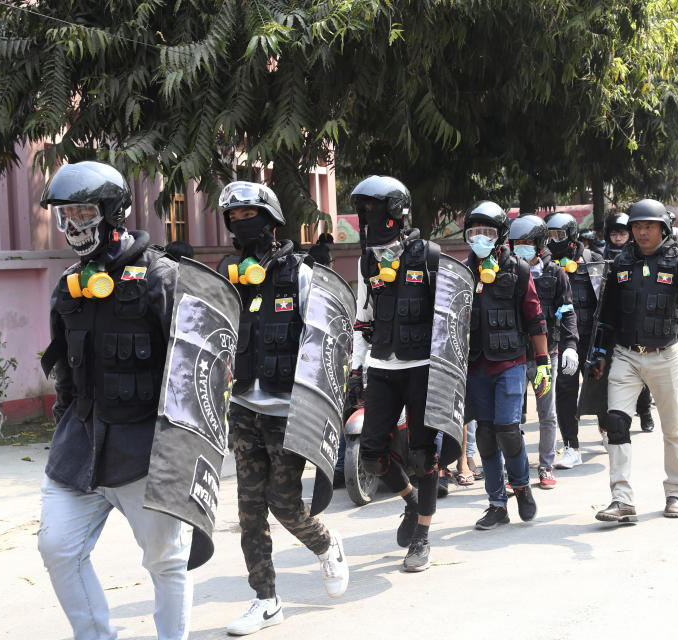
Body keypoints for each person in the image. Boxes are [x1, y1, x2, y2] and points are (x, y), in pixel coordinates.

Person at [37, 161, 191, 640]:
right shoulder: (69, 287)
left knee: (165, 562)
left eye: (82, 212)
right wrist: (62, 426)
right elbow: (64, 372)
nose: (72, 226)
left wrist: (184, 458)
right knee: (57, 547)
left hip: (143, 453)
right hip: (77, 450)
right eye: (65, 215)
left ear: (111, 212)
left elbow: (191, 377)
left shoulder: (161, 278)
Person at [221, 181, 349, 635]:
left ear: (272, 222)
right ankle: (266, 599)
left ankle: (326, 543)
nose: (242, 225)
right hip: (243, 408)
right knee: (249, 511)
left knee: (284, 503)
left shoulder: (302, 275)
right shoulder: (230, 276)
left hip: (288, 410)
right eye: (234, 219)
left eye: (249, 216)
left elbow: (331, 341)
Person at [347, 175, 450, 572]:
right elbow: (362, 318)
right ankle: (410, 502)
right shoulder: (367, 260)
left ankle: (422, 538)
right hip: (382, 368)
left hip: (422, 370)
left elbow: (450, 321)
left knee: (424, 457)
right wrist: (357, 370)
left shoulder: (430, 257)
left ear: (395, 212)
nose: (366, 218)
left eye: (372, 209)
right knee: (373, 454)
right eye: (362, 211)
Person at [590, 199, 678, 523]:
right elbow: (608, 314)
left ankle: (675, 492)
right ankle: (622, 499)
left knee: (673, 427)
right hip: (626, 356)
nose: (641, 232)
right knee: (616, 422)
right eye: (636, 227)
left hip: (665, 355)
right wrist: (599, 354)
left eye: (648, 226)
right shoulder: (620, 264)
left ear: (663, 229)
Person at [463, 201, 549, 530]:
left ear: (500, 237)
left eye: (486, 232)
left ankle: (522, 488)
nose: (479, 238)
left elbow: (535, 321)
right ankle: (497, 504)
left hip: (511, 362)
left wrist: (542, 365)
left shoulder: (519, 271)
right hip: (476, 366)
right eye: (474, 232)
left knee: (508, 431)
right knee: (485, 434)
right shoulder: (461, 272)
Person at [508, 214, 579, 489]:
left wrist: (570, 345)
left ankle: (546, 466)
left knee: (546, 413)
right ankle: (515, 468)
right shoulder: (507, 271)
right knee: (511, 416)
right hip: (512, 355)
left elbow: (568, 311)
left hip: (545, 355)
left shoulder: (555, 274)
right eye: (517, 243)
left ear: (539, 244)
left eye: (527, 242)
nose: (521, 248)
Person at [552, 215, 609, 470]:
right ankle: (571, 446)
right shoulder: (546, 265)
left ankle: (606, 427)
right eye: (549, 235)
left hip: (593, 338)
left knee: (600, 386)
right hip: (565, 340)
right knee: (565, 391)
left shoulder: (594, 261)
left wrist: (607, 343)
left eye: (559, 235)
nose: (554, 241)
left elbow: (606, 301)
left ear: (572, 235)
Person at [600, 211, 656, 429]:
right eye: (614, 233)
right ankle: (613, 419)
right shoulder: (598, 255)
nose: (618, 237)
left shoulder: (638, 255)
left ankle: (644, 411)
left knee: (641, 372)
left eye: (622, 233)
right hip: (609, 319)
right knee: (610, 373)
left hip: (634, 319)